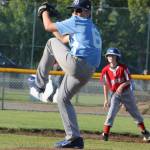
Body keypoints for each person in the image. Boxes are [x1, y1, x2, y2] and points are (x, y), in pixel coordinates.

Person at [29, 0, 102, 148]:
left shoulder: (78, 21)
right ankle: (74, 138)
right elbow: (62, 39)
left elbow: (47, 26)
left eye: (79, 10)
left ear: (88, 12)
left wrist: (44, 12)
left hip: (78, 65)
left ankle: (38, 85)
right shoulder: (91, 28)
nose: (76, 13)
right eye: (74, 10)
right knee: (62, 99)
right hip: (87, 71)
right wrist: (52, 20)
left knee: (50, 43)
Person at [100, 47, 150, 142]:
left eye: (113, 55)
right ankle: (105, 134)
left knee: (135, 114)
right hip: (115, 94)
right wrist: (106, 99)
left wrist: (121, 85)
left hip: (127, 93)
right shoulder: (105, 70)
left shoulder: (123, 68)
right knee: (111, 114)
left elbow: (129, 81)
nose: (110, 57)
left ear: (117, 57)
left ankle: (145, 133)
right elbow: (105, 85)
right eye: (109, 55)